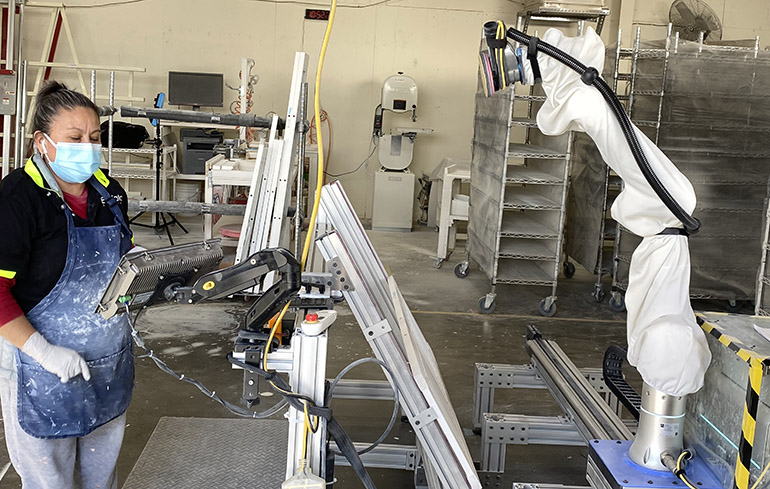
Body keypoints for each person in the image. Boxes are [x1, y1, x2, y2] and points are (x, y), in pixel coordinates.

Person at [0, 81, 134, 489]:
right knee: (49, 481)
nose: (88, 148)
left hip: (106, 364)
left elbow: (120, 265)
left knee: (101, 478)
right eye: (74, 138)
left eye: (94, 138)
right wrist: (43, 352)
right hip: (40, 367)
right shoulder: (18, 199)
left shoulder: (109, 193)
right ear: (42, 142)